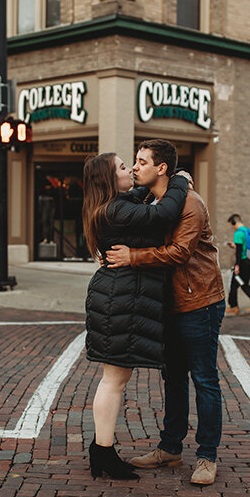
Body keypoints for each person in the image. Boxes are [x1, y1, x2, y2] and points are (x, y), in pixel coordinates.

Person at [106, 139, 227, 486]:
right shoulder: (151, 200)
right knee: (172, 378)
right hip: (167, 304)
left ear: (162, 168)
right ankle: (170, 449)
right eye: (134, 161)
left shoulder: (190, 203)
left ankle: (207, 456)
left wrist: (133, 257)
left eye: (142, 162)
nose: (135, 167)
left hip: (199, 300)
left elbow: (179, 253)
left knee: (204, 379)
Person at [83, 151, 189, 480]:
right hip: (119, 299)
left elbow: (138, 195)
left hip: (117, 296)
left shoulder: (112, 205)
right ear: (108, 178)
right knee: (113, 381)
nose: (130, 169)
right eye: (122, 167)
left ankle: (102, 451)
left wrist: (153, 184)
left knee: (115, 379)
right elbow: (166, 213)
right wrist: (181, 181)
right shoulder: (116, 211)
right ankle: (102, 452)